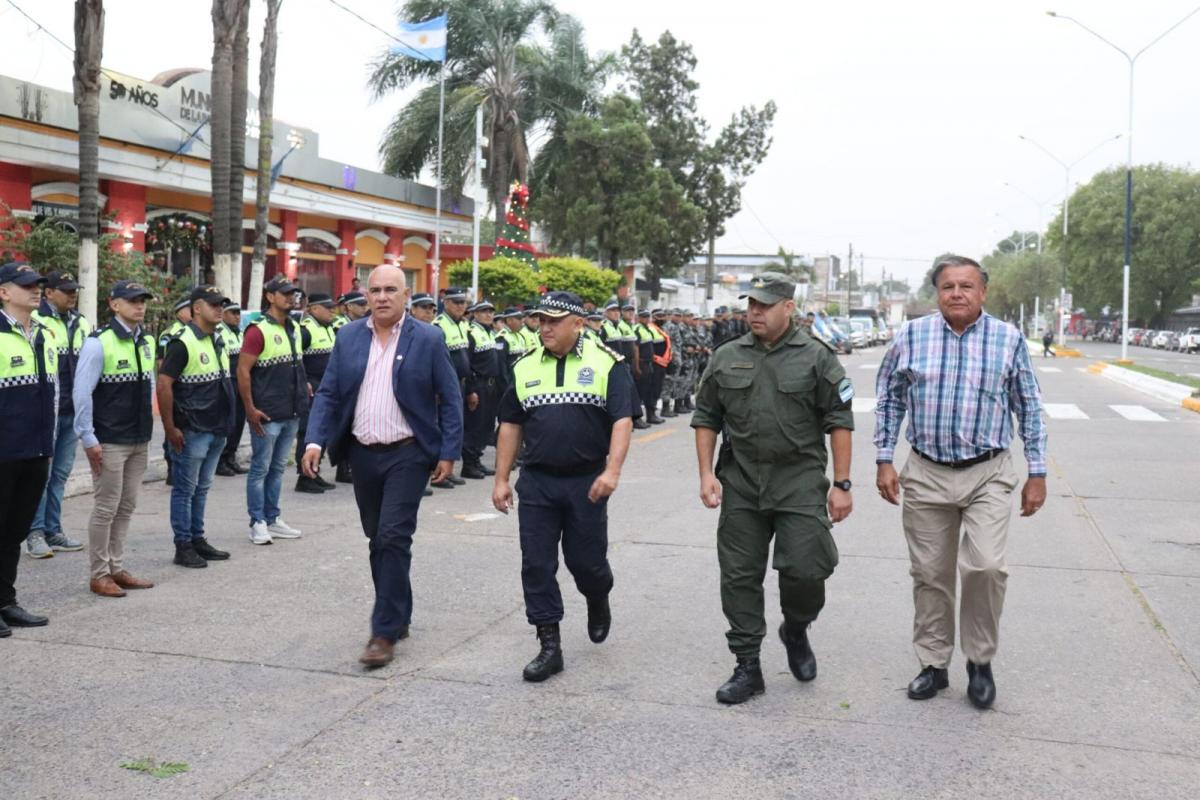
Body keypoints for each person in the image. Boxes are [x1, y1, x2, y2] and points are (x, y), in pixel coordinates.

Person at [874, 254, 1047, 710]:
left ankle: (980, 661)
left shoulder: (1008, 340)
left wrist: (1038, 472)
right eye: (948, 286)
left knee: (986, 567)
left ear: (983, 292)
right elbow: (889, 400)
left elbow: (1029, 408)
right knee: (930, 574)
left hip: (987, 472)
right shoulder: (911, 336)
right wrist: (883, 459)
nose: (957, 293)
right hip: (926, 472)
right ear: (937, 293)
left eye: (966, 286)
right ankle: (933, 664)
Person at [692, 272, 855, 705]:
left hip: (799, 480)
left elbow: (839, 421)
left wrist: (841, 484)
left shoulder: (817, 358)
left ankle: (796, 627)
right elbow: (706, 417)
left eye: (765, 305)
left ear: (789, 307)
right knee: (739, 575)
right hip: (742, 482)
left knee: (807, 569)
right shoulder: (726, 357)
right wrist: (706, 474)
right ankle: (747, 665)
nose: (755, 312)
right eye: (751, 304)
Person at [302, 265, 463, 668]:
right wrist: (315, 439)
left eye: (391, 289)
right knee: (378, 539)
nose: (382, 297)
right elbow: (330, 392)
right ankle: (399, 610)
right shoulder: (349, 336)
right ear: (365, 295)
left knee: (392, 536)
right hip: (362, 455)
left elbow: (451, 396)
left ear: (406, 294)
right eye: (374, 290)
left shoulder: (427, 338)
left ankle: (383, 632)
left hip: (408, 454)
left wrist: (448, 451)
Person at [491, 291, 634, 682]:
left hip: (587, 481)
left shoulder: (607, 363)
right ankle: (549, 644)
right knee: (536, 563)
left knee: (586, 562)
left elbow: (623, 419)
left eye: (554, 320)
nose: (545, 327)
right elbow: (511, 424)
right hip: (537, 481)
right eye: (541, 320)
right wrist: (502, 478)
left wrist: (612, 471)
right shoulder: (523, 367)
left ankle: (597, 595)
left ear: (578, 323)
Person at [73, 278, 158, 598]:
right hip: (109, 439)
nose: (140, 305)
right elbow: (82, 393)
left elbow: (148, 384)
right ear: (114, 304)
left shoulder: (145, 341)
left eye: (143, 300)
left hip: (139, 437)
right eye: (133, 300)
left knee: (127, 506)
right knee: (106, 507)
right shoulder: (99, 342)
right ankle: (98, 573)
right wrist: (88, 437)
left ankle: (117, 567)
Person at [157, 285, 236, 569]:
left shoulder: (218, 339)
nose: (219, 309)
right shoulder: (182, 341)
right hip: (192, 428)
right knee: (185, 489)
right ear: (197, 308)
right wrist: (170, 428)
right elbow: (164, 384)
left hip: (216, 427)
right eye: (213, 304)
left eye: (221, 305)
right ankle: (183, 545)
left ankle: (198, 538)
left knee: (202, 487)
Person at [0, 263, 57, 633]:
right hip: (3, 452)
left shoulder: (45, 334)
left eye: (38, 285)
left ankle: (6, 601)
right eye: (26, 285)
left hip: (36, 450)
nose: (36, 290)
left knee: (14, 531)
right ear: (4, 292)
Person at [237, 276, 307, 546]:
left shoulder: (293, 327)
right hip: (266, 413)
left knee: (278, 468)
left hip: (291, 411)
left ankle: (272, 517)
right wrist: (250, 408)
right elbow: (243, 371)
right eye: (285, 294)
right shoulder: (257, 330)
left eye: (293, 294)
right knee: (260, 469)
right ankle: (257, 522)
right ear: (270, 296)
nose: (291, 298)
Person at [26, 270, 90, 558]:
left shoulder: (81, 322)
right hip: (46, 411)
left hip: (72, 411)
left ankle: (53, 530)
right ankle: (35, 533)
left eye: (74, 289)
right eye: (66, 290)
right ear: (49, 293)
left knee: (61, 475)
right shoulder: (36, 320)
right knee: (42, 474)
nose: (72, 294)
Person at [295, 292, 338, 493]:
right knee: (308, 431)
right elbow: (295, 358)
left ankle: (315, 471)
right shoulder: (306, 331)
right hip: (311, 390)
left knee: (323, 431)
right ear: (313, 309)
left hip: (326, 388)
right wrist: (303, 382)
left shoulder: (328, 328)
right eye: (327, 307)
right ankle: (304, 477)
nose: (332, 311)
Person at [432, 287, 471, 488]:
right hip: (445, 386)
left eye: (462, 302)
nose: (460, 306)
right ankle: (437, 471)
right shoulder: (439, 325)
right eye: (455, 302)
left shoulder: (462, 325)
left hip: (460, 384)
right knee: (442, 427)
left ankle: (449, 469)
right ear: (445, 303)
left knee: (456, 426)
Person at [463, 300, 501, 479]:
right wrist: (471, 389)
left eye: (491, 311)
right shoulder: (471, 332)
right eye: (484, 311)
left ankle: (476, 459)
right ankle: (469, 464)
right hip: (478, 384)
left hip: (491, 385)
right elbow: (467, 363)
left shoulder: (489, 332)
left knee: (486, 424)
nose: (489, 315)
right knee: (474, 425)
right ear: (475, 314)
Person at [158, 297, 192, 486]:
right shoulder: (169, 334)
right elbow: (163, 365)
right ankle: (171, 467)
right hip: (174, 388)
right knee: (170, 431)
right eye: (188, 309)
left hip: (189, 390)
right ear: (179, 311)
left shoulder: (195, 332)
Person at [216, 301, 248, 476]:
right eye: (233, 313)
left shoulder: (240, 333)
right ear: (224, 314)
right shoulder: (220, 333)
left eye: (238, 313)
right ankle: (220, 460)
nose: (237, 316)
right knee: (228, 421)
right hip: (229, 382)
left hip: (241, 382)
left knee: (239, 421)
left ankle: (231, 457)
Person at [633, 309, 662, 425]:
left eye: (647, 317)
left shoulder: (649, 329)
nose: (646, 319)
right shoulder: (637, 329)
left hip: (650, 363)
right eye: (643, 317)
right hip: (642, 363)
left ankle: (651, 415)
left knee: (649, 391)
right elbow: (636, 348)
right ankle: (637, 419)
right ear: (639, 318)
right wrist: (637, 366)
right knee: (640, 392)